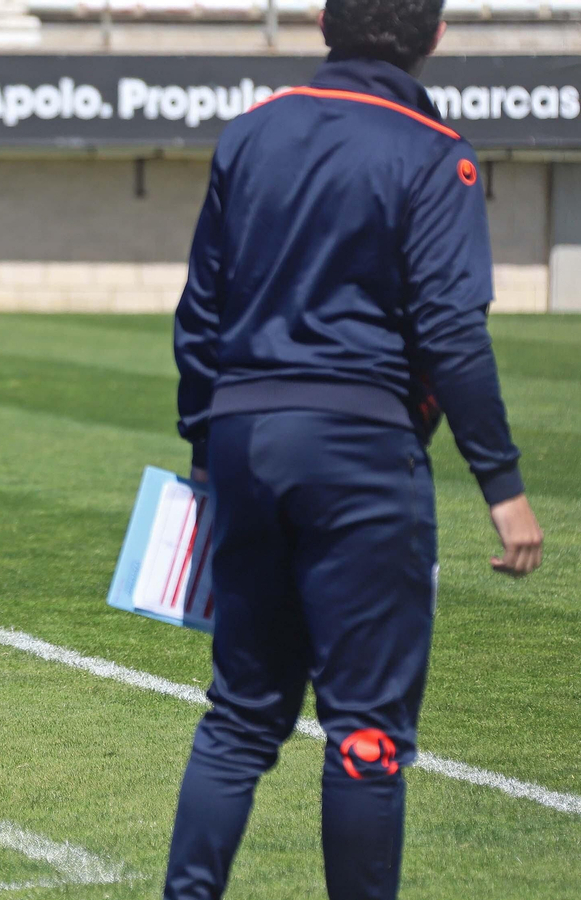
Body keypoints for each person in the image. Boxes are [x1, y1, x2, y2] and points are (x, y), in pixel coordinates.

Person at [165, 1, 545, 897]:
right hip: (362, 453)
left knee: (239, 716)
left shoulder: (248, 133)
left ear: (325, 24)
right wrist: (503, 483)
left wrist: (202, 449)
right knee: (366, 731)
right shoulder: (430, 149)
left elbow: (200, 314)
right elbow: (451, 328)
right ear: (436, 36)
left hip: (245, 441)